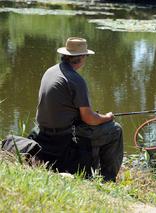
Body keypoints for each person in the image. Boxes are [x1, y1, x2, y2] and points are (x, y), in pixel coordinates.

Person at [32, 37, 123, 182]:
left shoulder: (51, 71)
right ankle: (108, 179)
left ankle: (93, 166)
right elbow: (89, 119)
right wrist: (107, 117)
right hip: (64, 135)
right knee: (115, 129)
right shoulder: (75, 80)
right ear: (81, 58)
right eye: (85, 56)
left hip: (42, 131)